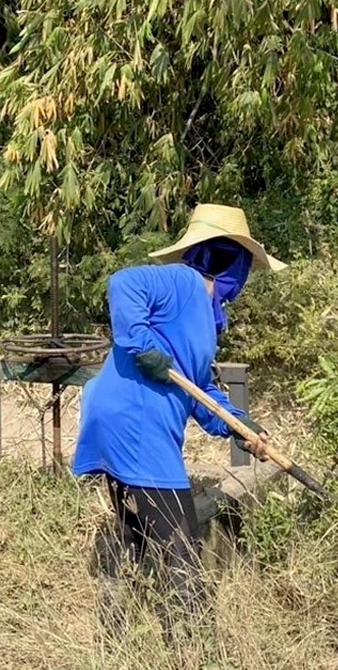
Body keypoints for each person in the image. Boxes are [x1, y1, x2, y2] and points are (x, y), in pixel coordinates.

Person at [72, 203, 286, 645]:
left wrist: (243, 428)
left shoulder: (206, 317)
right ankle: (193, 647)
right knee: (181, 544)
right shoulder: (184, 282)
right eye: (242, 264)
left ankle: (113, 641)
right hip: (136, 424)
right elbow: (123, 283)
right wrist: (143, 346)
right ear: (228, 258)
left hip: (118, 419)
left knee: (135, 533)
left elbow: (199, 390)